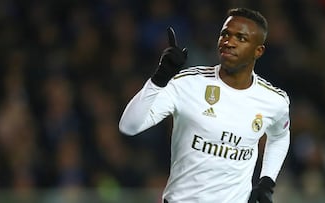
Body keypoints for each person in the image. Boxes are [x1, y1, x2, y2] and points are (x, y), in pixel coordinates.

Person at [119, 7, 290, 203]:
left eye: (240, 38)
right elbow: (129, 126)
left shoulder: (274, 100)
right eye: (225, 34)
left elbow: (280, 136)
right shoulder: (188, 83)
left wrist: (267, 182)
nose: (229, 42)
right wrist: (159, 79)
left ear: (258, 51)